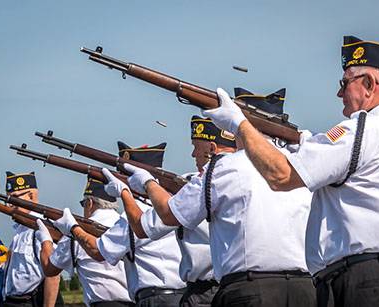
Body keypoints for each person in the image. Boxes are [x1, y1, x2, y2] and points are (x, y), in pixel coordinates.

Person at [202, 35, 379, 307]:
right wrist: (307, 141)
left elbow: (280, 175)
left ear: (369, 84)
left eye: (344, 83)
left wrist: (239, 124)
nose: (339, 94)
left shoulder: (361, 129)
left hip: (370, 282)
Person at [112, 91, 316, 307]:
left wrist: (146, 183)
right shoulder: (300, 162)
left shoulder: (225, 167)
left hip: (251, 289)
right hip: (303, 288)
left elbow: (168, 215)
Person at [120, 116, 238, 307]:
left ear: (211, 149)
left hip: (207, 291)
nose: (193, 154)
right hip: (227, 287)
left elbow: (146, 226)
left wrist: (130, 190)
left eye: (196, 147)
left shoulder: (199, 186)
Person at [52, 144, 186, 307]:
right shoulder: (176, 204)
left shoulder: (137, 213)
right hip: (180, 296)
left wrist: (73, 228)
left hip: (156, 300)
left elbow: (98, 251)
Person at [35, 177, 133, 307]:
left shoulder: (77, 233)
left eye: (83, 204)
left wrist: (46, 240)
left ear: (89, 203)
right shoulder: (130, 226)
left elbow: (49, 269)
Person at [0, 171, 63, 307]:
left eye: (13, 199)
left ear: (31, 196)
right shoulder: (20, 228)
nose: (8, 205)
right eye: (7, 199)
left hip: (31, 302)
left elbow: (53, 275)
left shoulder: (42, 227)